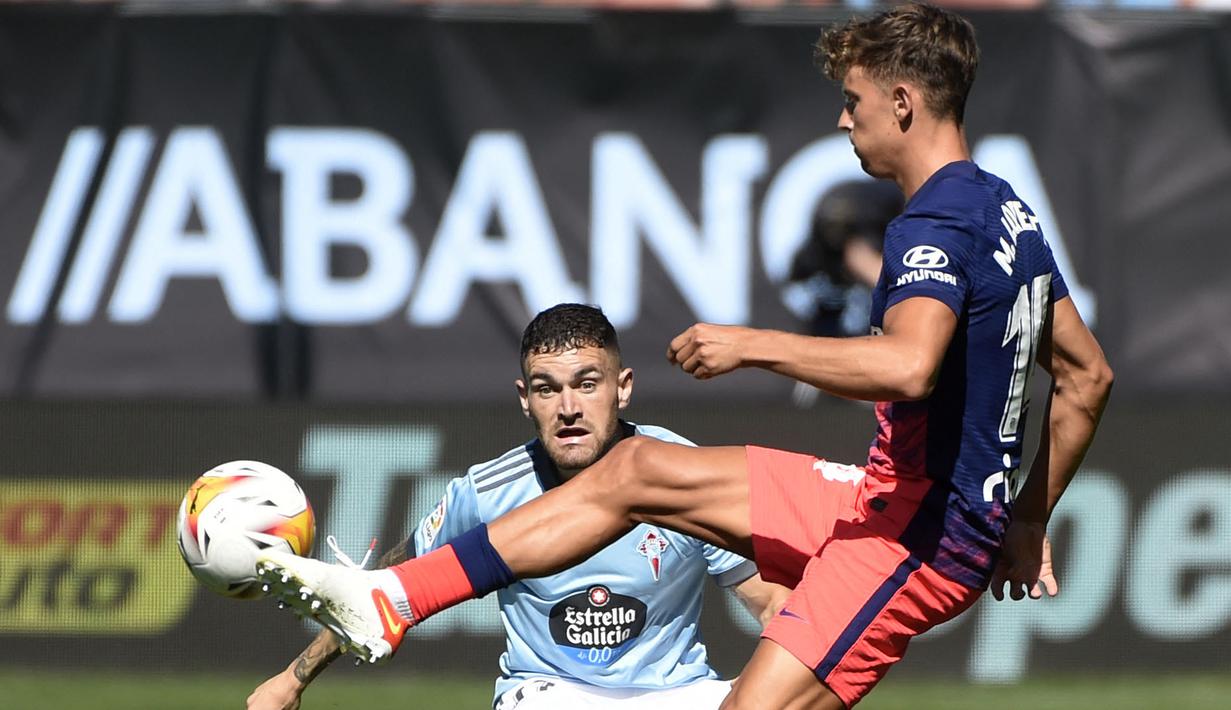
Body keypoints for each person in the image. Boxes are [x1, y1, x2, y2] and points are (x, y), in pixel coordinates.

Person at [256, 4, 1114, 708]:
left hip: (915, 540)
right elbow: (1085, 376)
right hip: (887, 500)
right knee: (636, 473)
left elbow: (907, 366)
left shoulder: (932, 223)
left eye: (852, 101)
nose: (840, 119)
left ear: (901, 101)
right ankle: (393, 600)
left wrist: (752, 345)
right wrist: (1028, 519)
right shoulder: (1006, 211)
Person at [248, 303, 789, 710]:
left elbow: (773, 605)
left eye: (587, 383)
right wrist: (292, 679)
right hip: (550, 693)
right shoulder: (487, 492)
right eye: (547, 389)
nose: (570, 408)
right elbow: (384, 589)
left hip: (677, 694)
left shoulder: (682, 474)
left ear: (622, 389)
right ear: (524, 398)